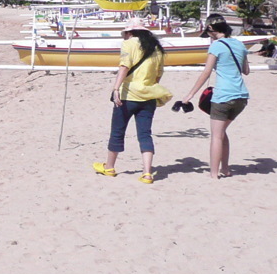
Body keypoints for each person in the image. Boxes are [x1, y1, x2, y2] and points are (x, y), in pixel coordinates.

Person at [92, 22, 173, 183]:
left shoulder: (129, 44)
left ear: (130, 33)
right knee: (145, 134)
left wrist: (116, 88)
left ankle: (109, 167)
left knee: (117, 131)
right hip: (149, 95)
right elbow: (158, 75)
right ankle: (147, 173)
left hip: (128, 94)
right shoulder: (157, 48)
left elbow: (124, 67)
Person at [174, 18, 250, 179]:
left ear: (213, 30)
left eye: (208, 33)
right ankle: (226, 169)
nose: (208, 37)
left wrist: (190, 95)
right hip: (241, 96)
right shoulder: (240, 44)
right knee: (222, 132)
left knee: (216, 135)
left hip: (223, 95)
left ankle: (214, 173)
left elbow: (206, 72)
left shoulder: (216, 45)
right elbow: (246, 70)